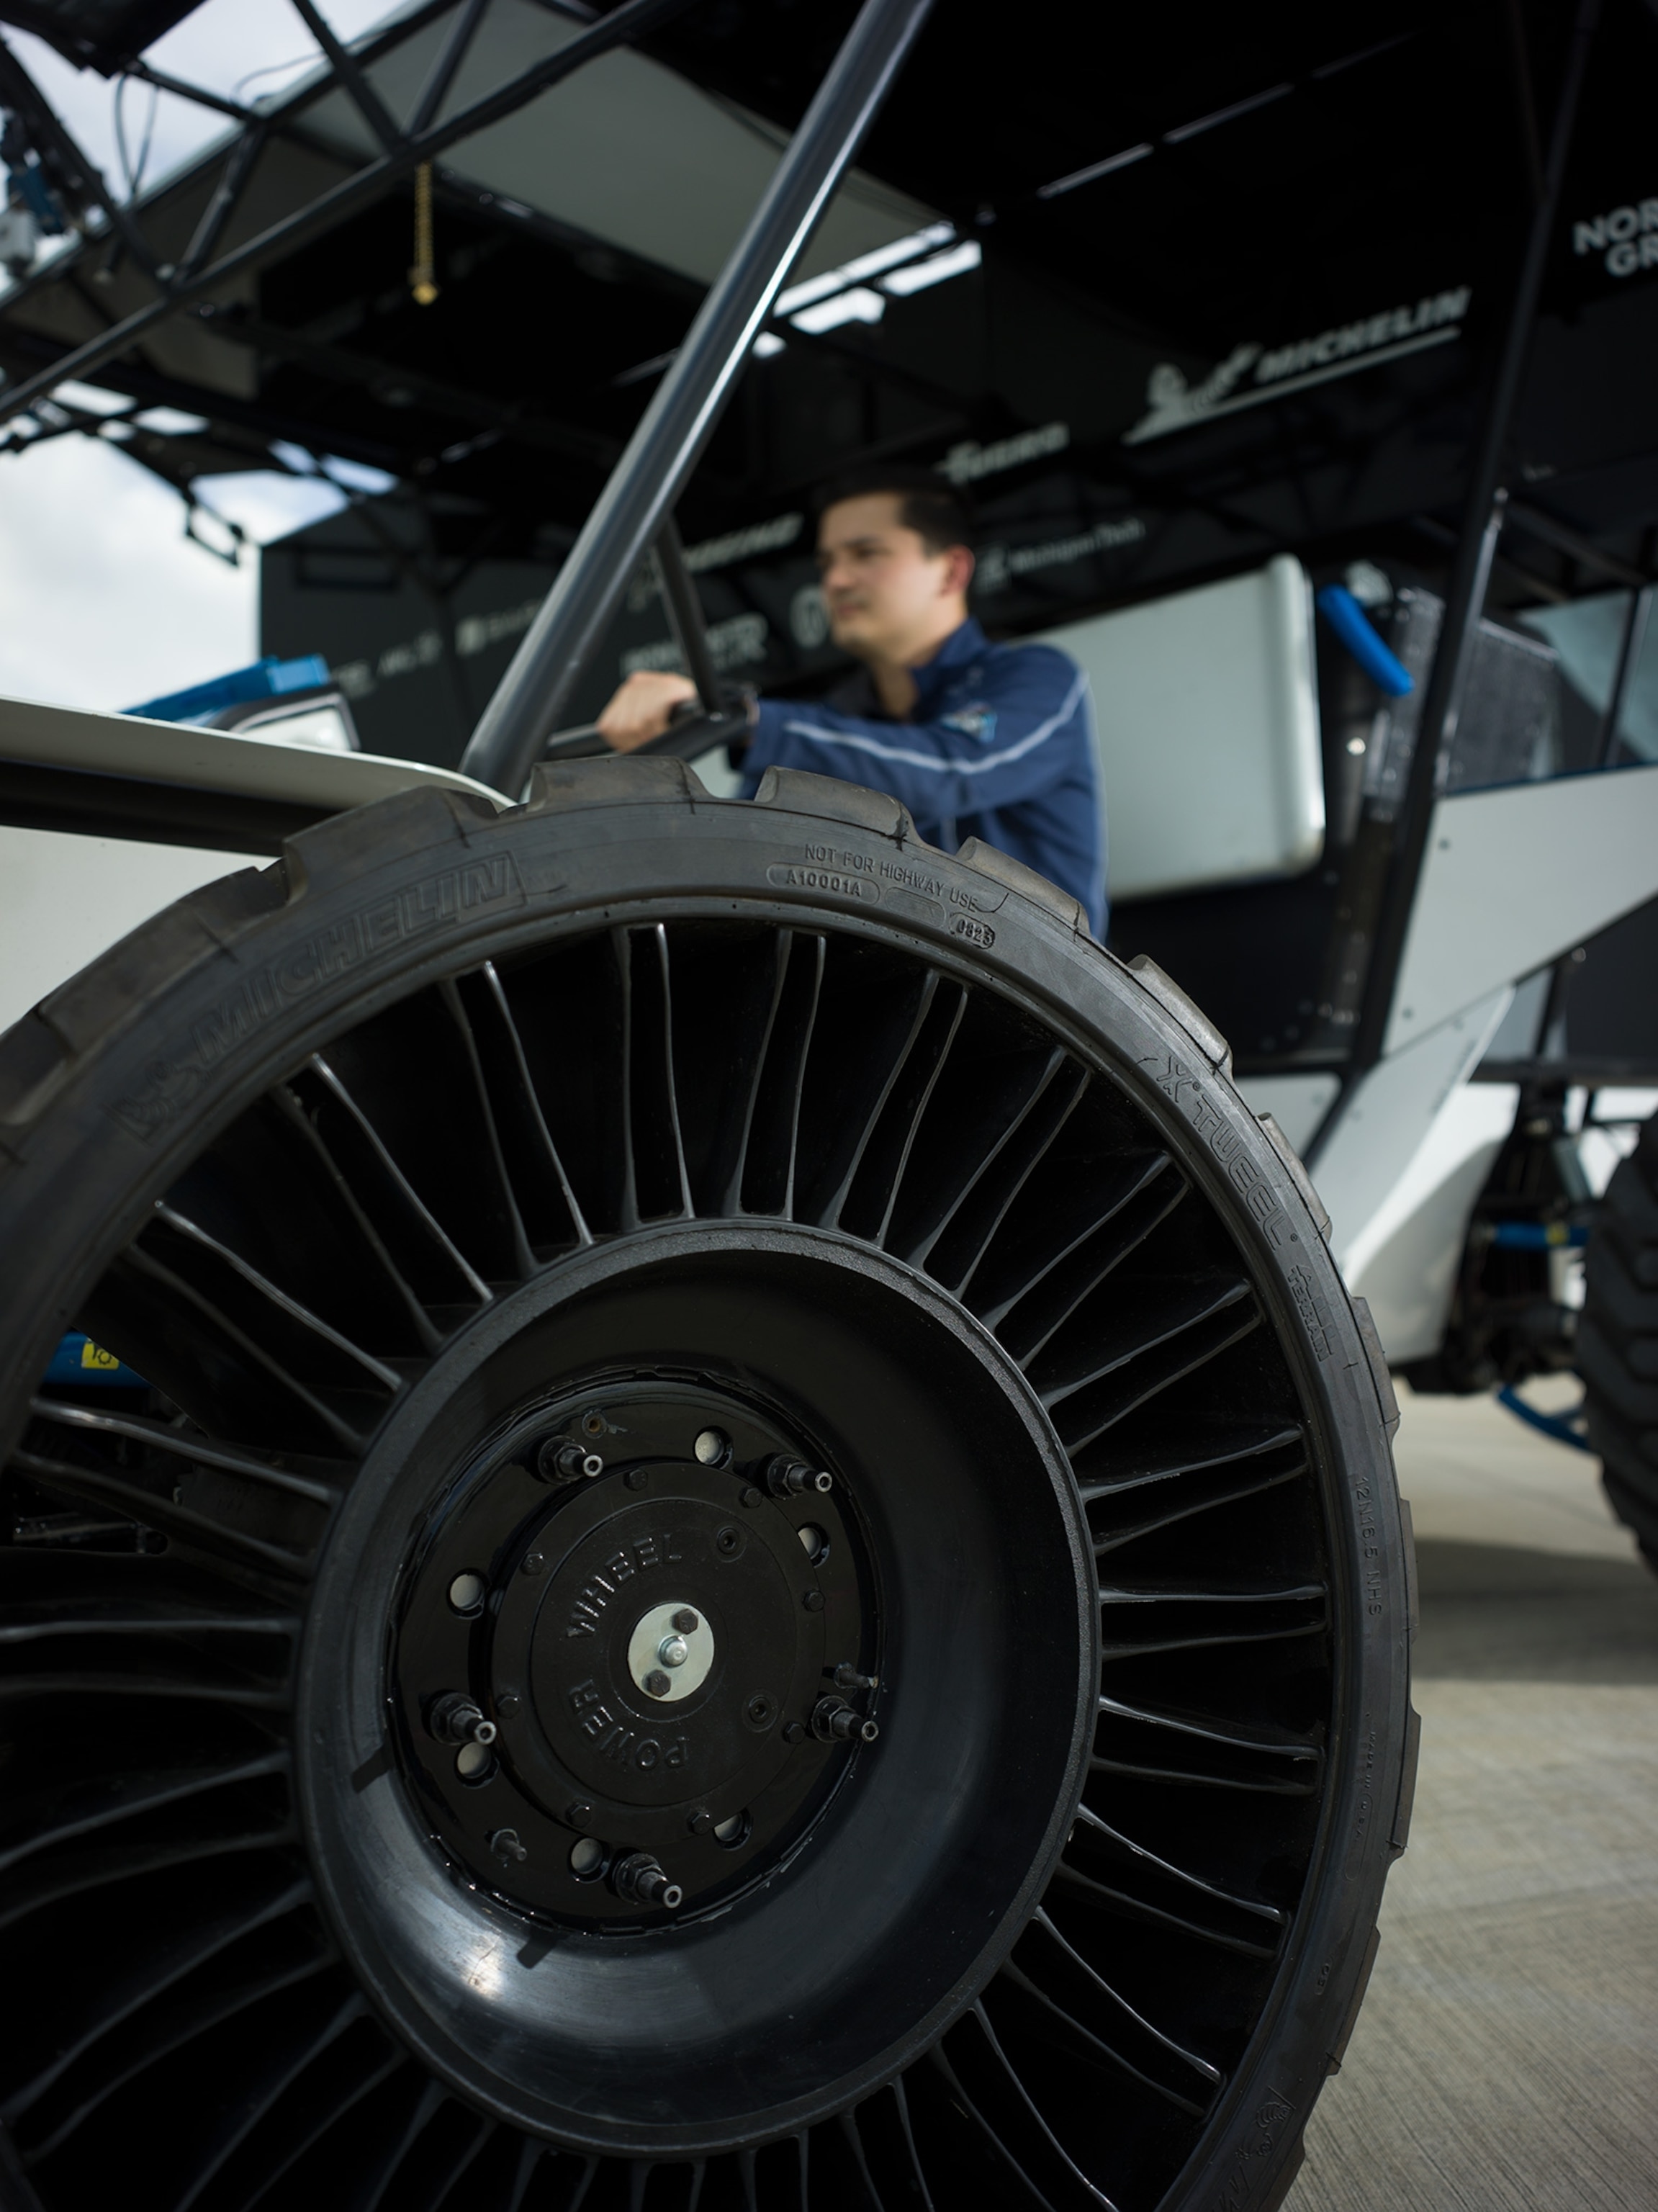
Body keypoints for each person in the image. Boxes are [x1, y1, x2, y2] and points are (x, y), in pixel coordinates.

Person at [596, 467, 1107, 935]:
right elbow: (746, 856)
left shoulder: (1036, 676)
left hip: (1048, 1015)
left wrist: (750, 722)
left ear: (951, 572)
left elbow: (951, 769)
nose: (835, 581)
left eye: (866, 554)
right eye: (827, 563)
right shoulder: (832, 721)